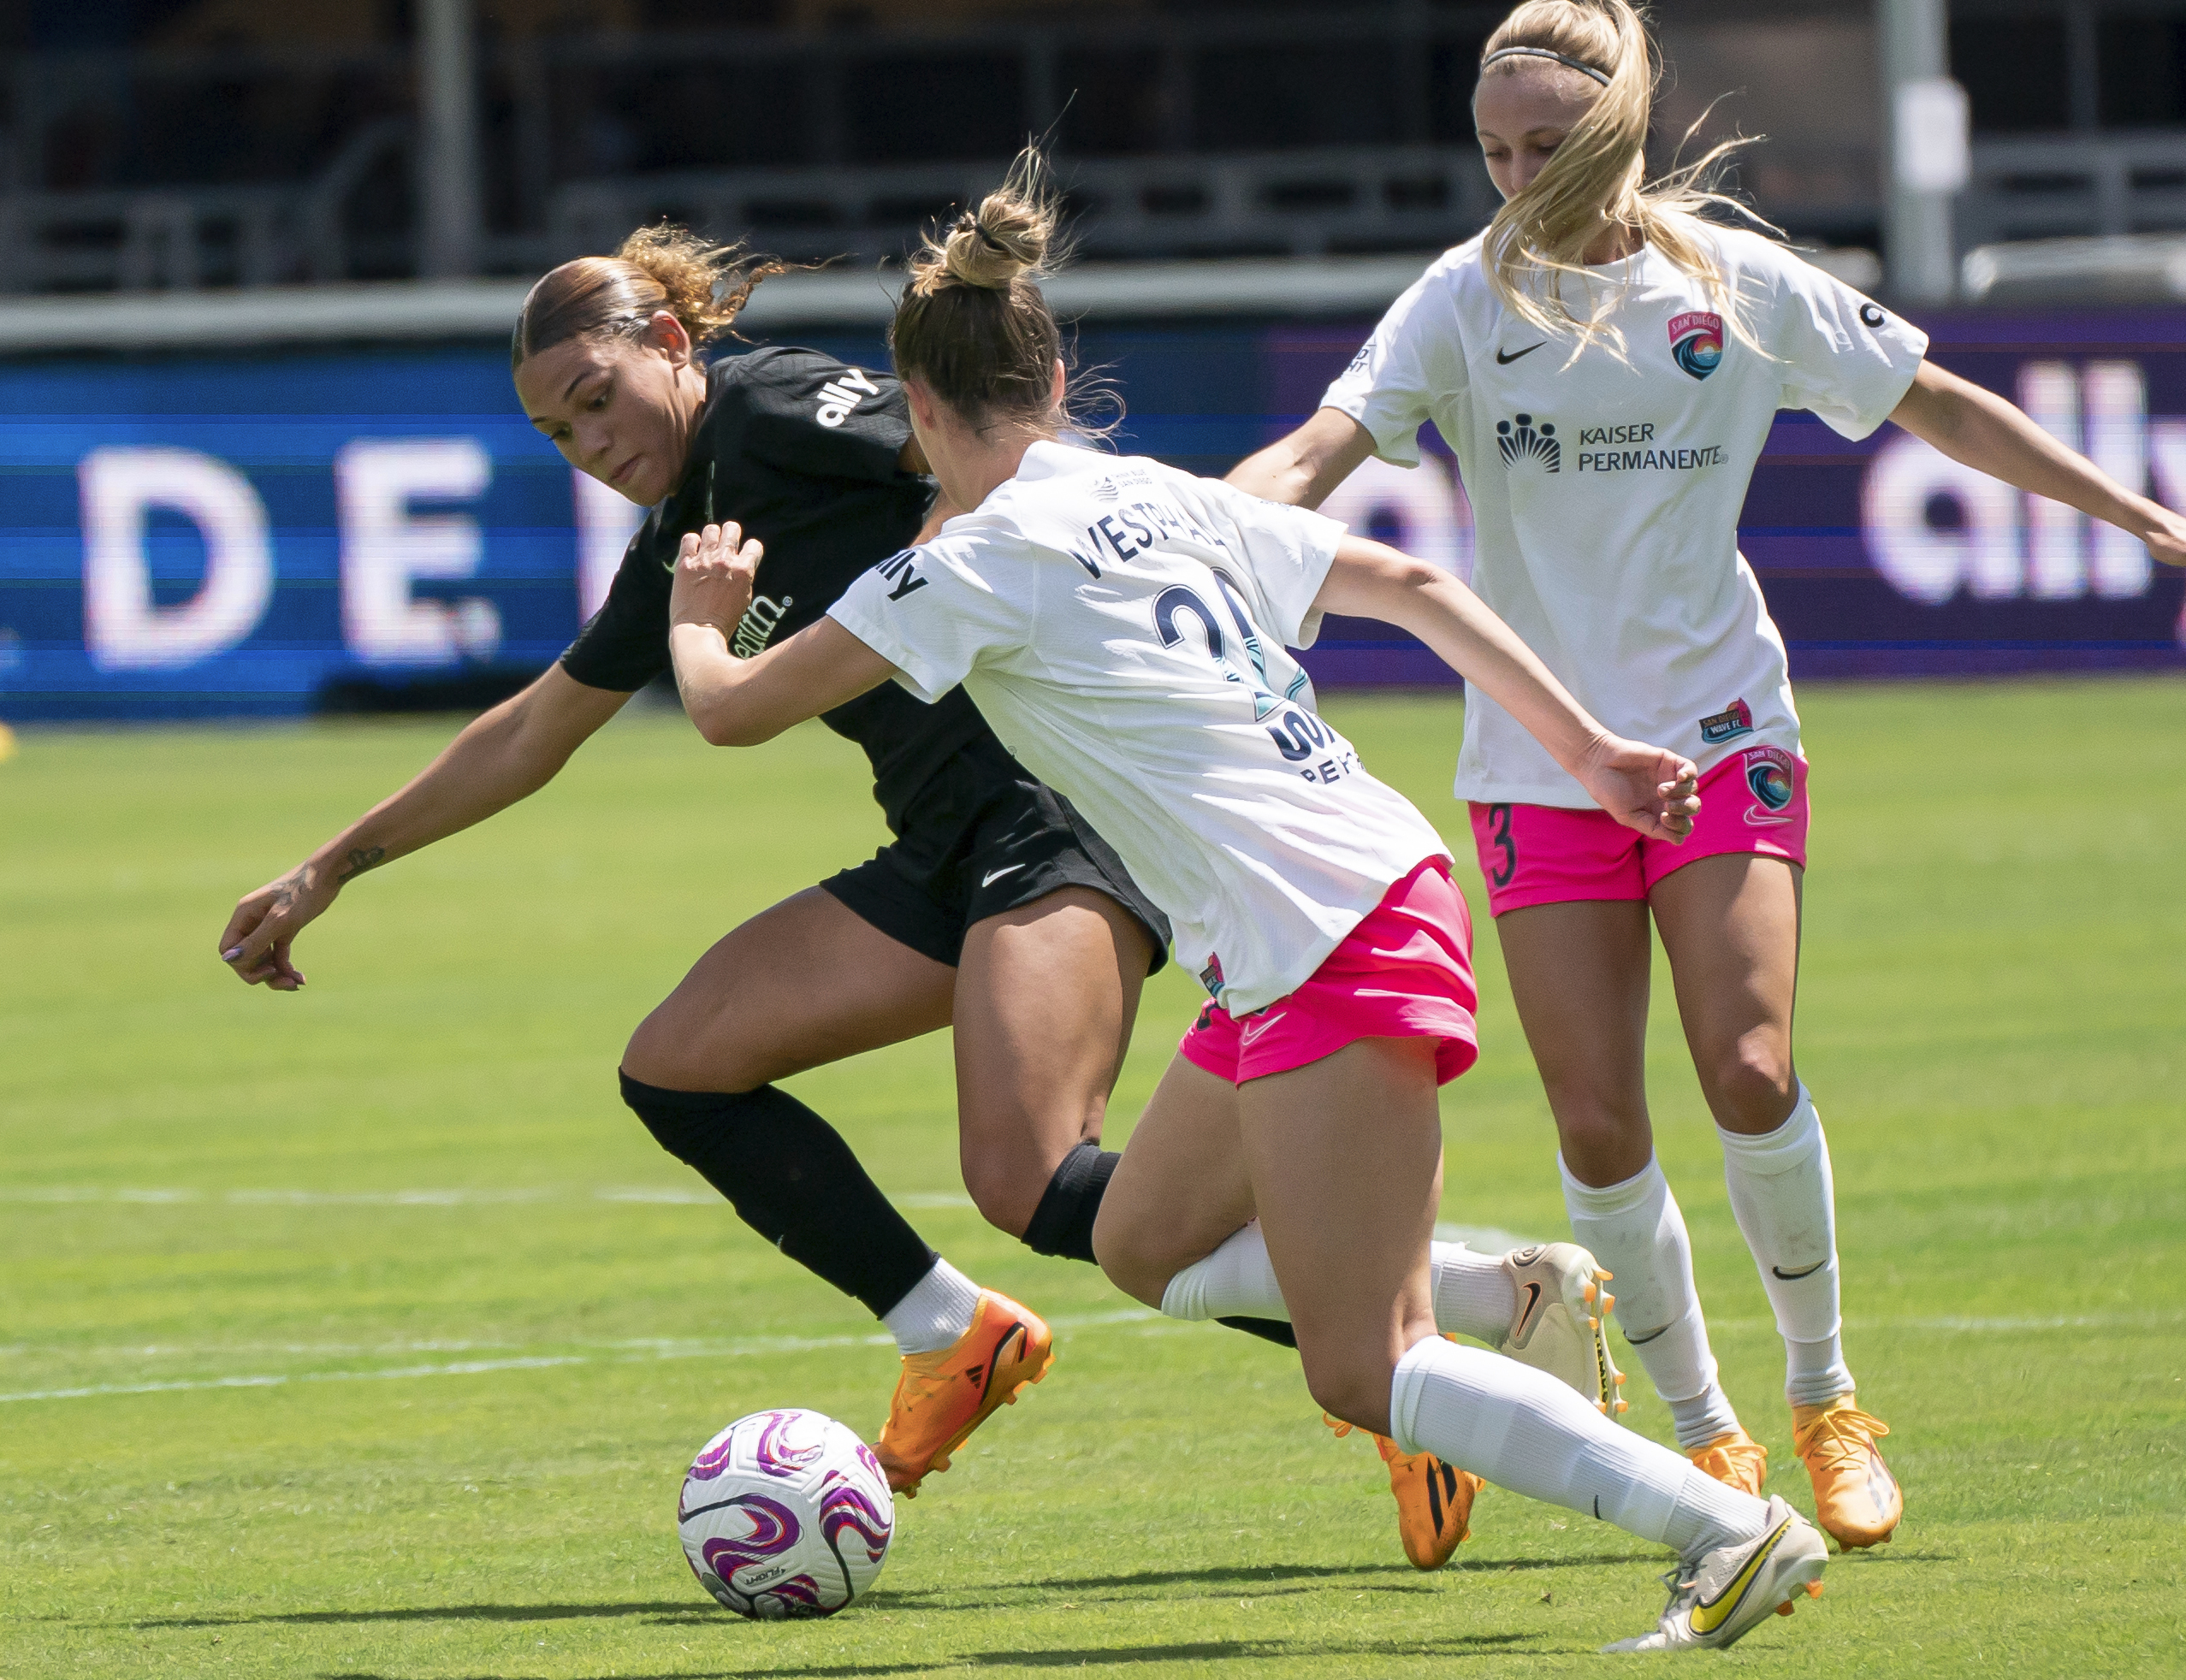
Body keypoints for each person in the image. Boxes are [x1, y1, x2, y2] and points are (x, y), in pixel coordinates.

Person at [661, 148, 1832, 1653]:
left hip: (1322, 925)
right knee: (1138, 1241)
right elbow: (1409, 586)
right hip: (1336, 894)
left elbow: (734, 710)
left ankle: (1724, 1529)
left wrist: (702, 620)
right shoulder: (1160, 498)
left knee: (1361, 1364)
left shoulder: (964, 561)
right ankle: (1501, 1297)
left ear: (927, 410)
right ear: (1055, 369)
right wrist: (1587, 749)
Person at [1224, 0, 2186, 1551]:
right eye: (1494, 150)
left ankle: (1825, 1395)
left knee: (1748, 1069)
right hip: (1536, 763)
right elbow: (1313, 456)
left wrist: (2147, 519)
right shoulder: (1458, 302)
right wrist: (1194, 532)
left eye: (1545, 146)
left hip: (1724, 732)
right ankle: (1707, 1433)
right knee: (1595, 1128)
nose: (1515, 176)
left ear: (1615, 135)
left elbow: (1932, 399)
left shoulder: (1726, 285)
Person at [215, 225, 1182, 1497]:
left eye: (598, 400)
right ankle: (953, 1333)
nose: (592, 445)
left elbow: (996, 456)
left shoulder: (772, 406)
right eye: (561, 435)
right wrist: (327, 870)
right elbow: (533, 729)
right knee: (680, 1069)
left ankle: (1402, 1340)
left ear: (669, 345)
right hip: (944, 844)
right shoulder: (689, 531)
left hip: (1058, 813)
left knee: (1037, 1182)